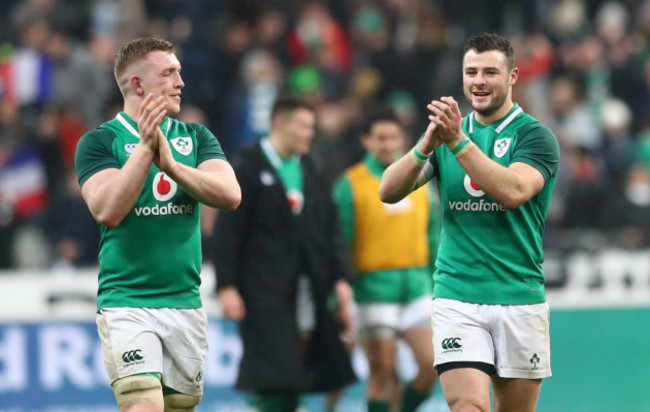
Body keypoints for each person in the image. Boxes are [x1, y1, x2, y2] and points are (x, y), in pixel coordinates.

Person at [379, 32, 560, 412]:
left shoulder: (535, 136)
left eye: (490, 72)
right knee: (468, 406)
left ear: (512, 76)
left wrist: (457, 142)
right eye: (471, 71)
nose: (478, 81)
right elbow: (388, 191)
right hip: (458, 294)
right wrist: (425, 145)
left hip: (518, 295)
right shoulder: (446, 136)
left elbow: (512, 191)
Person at [74, 37, 241, 412]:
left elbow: (230, 195)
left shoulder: (196, 137)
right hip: (128, 302)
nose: (180, 83)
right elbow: (107, 210)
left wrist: (173, 167)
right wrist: (147, 149)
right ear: (138, 85)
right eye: (168, 74)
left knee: (178, 407)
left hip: (185, 302)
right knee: (144, 407)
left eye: (179, 72)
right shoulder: (100, 142)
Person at [212, 95, 356, 412]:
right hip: (262, 286)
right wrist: (226, 285)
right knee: (276, 366)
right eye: (303, 126)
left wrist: (341, 278)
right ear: (279, 123)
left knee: (296, 364)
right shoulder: (247, 166)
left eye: (311, 127)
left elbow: (329, 228)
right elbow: (228, 231)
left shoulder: (310, 167)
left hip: (306, 286)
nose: (309, 133)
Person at [332, 108, 440, 412]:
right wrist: (341, 291)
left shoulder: (421, 179)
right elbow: (341, 241)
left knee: (431, 364)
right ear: (366, 140)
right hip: (372, 290)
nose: (388, 144)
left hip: (417, 285)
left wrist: (437, 281)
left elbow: (433, 235)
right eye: (380, 138)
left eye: (393, 137)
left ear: (403, 138)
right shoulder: (350, 184)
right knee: (383, 371)